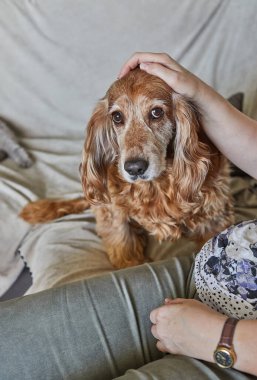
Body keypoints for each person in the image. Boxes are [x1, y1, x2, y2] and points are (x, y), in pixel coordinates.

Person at [0, 52, 256, 380]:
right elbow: (112, 211)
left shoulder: (200, 166)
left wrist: (221, 339)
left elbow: (214, 219)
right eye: (119, 119)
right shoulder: (116, 170)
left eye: (156, 114)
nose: (133, 153)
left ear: (179, 122)